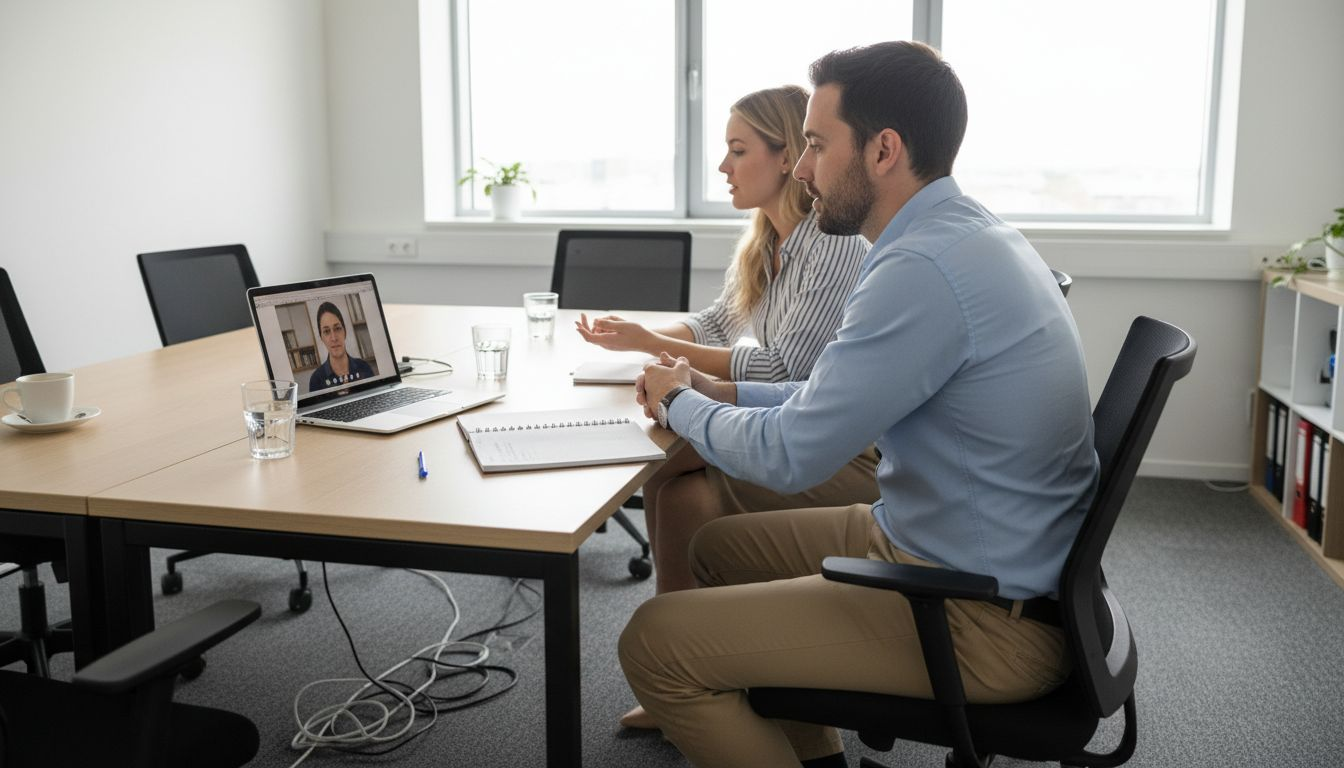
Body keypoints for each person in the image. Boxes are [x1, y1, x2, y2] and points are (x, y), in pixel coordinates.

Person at [619, 41, 1100, 768]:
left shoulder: (921, 268)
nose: (803, 171)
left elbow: (792, 455)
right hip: (954, 552)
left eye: (814, 144)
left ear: (883, 150)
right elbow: (830, 394)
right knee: (711, 549)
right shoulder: (958, 234)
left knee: (652, 642)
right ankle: (817, 757)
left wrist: (683, 405)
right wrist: (724, 391)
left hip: (978, 617)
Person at [576, 86, 879, 729]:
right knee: (673, 479)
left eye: (738, 151)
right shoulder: (770, 238)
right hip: (791, 418)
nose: (723, 167)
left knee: (676, 475)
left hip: (836, 443)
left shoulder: (831, 245)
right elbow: (718, 323)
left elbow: (786, 371)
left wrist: (654, 348)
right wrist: (647, 338)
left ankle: (683, 667)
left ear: (787, 156)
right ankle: (688, 665)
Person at [308, 300, 374, 392]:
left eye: (337, 328)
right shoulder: (316, 379)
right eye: (326, 331)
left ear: (345, 332)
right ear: (321, 337)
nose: (334, 338)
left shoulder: (364, 367)